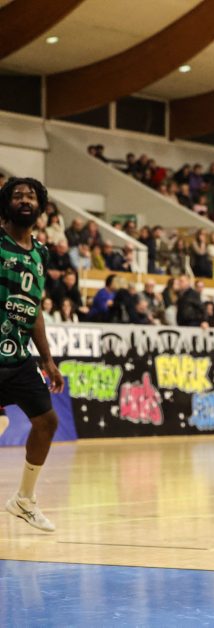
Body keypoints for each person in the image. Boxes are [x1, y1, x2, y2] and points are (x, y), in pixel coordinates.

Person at [0, 177, 65, 532]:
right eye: (17, 195)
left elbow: (34, 308)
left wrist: (47, 359)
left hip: (17, 357)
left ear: (40, 206)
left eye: (31, 196)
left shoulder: (40, 253)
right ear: (6, 204)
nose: (25, 200)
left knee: (47, 422)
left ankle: (24, 500)